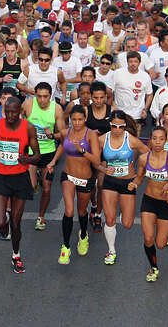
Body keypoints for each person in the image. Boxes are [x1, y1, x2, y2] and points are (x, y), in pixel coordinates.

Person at [0, 96, 40, 273]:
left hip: (19, 178)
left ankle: (16, 255)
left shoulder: (28, 128)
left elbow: (37, 155)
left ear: (20, 112)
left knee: (17, 224)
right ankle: (5, 219)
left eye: (13, 112)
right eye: (7, 112)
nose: (9, 115)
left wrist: (28, 158)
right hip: (1, 175)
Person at [98, 110, 149, 265]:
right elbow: (94, 160)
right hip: (110, 182)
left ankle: (122, 214)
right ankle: (111, 250)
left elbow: (149, 157)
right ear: (110, 125)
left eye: (121, 127)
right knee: (110, 218)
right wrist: (103, 169)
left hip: (127, 183)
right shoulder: (102, 140)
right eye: (114, 126)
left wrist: (139, 174)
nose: (118, 130)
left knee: (127, 224)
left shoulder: (132, 140)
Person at [134, 126, 168, 282]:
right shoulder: (143, 159)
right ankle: (153, 268)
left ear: (166, 141)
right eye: (154, 138)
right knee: (148, 238)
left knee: (160, 244)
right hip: (149, 201)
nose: (158, 142)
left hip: (165, 204)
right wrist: (134, 184)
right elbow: (139, 177)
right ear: (150, 140)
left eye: (161, 139)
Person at [56, 105, 98, 265]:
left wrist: (82, 150)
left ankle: (83, 236)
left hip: (85, 178)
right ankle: (65, 247)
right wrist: (53, 162)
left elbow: (96, 159)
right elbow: (62, 145)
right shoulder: (67, 132)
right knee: (69, 210)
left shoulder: (91, 135)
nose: (77, 122)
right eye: (74, 119)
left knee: (81, 211)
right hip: (68, 175)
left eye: (80, 119)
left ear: (85, 119)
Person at [23, 81, 65, 231]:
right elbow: (18, 123)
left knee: (46, 189)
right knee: (32, 186)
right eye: (39, 96)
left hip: (48, 153)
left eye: (45, 96)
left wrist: (52, 134)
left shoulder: (57, 109)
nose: (41, 100)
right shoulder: (28, 105)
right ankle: (36, 180)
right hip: (32, 153)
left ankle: (41, 217)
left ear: (50, 96)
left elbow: (63, 136)